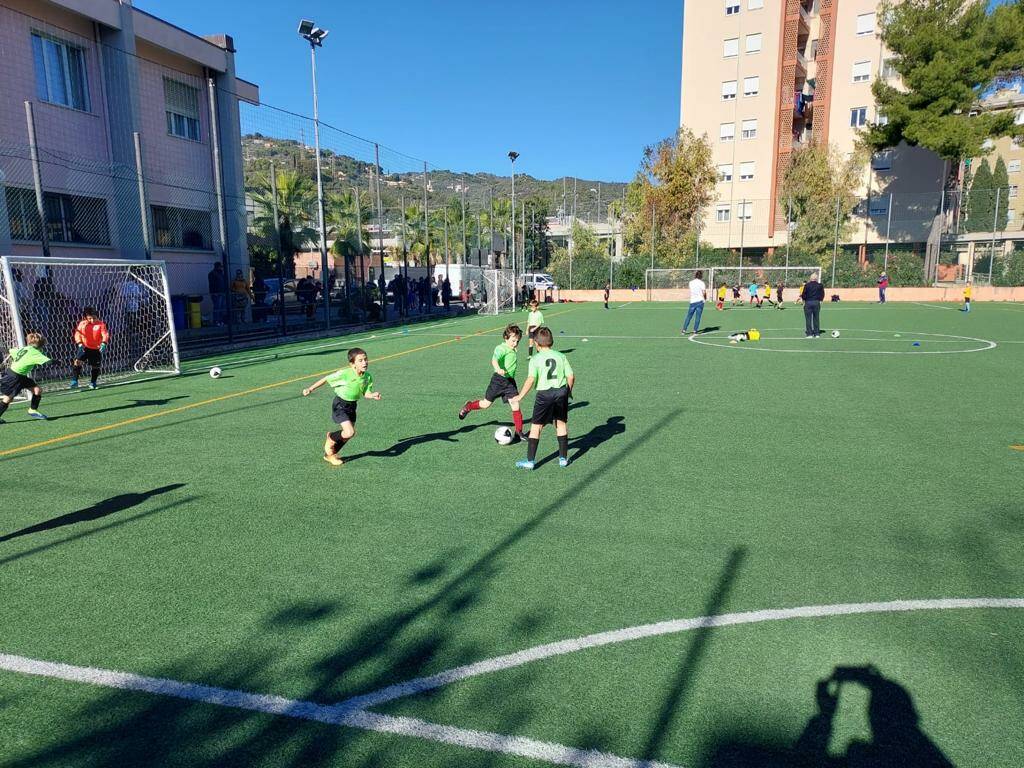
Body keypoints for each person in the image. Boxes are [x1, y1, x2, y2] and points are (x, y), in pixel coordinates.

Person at [301, 347, 381, 466]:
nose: (365, 362)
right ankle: (331, 437)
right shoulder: (345, 374)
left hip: (352, 406)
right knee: (349, 432)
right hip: (340, 404)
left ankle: (331, 454)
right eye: (360, 360)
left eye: (365, 359)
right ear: (352, 364)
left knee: (349, 434)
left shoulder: (367, 377)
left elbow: (366, 393)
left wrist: (372, 395)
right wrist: (310, 388)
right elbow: (326, 379)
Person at [511, 326, 575, 470]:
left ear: (536, 344)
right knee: (561, 424)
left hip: (544, 395)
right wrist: (568, 392)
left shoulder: (535, 359)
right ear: (551, 342)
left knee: (536, 427)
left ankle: (530, 461)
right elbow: (571, 376)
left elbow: (531, 379)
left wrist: (520, 396)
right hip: (561, 392)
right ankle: (563, 459)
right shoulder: (561, 356)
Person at [459, 324, 525, 439]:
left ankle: (519, 432)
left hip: (510, 382)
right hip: (498, 381)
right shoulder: (501, 348)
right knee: (486, 404)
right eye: (513, 341)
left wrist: (513, 347)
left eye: (517, 341)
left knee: (515, 404)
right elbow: (494, 359)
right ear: (506, 338)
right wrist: (498, 369)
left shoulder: (512, 348)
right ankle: (469, 406)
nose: (515, 343)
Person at [0, 333, 51, 422]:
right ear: (42, 344)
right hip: (14, 377)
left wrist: (3, 349)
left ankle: (32, 410)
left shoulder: (25, 349)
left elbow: (10, 350)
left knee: (37, 390)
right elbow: (48, 362)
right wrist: (57, 361)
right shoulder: (35, 352)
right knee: (8, 398)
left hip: (19, 375)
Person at [70, 307, 109, 390]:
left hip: (96, 349)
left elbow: (105, 334)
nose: (92, 320)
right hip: (84, 347)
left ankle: (93, 382)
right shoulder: (82, 324)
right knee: (77, 362)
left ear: (97, 316)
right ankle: (74, 380)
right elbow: (77, 334)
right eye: (90, 318)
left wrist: (104, 343)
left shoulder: (101, 324)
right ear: (86, 318)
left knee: (95, 366)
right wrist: (80, 344)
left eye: (94, 318)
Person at [682, 269, 706, 337]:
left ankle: (684, 330)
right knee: (698, 317)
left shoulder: (691, 282)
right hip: (700, 301)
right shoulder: (702, 283)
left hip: (692, 301)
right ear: (701, 276)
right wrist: (705, 299)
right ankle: (695, 330)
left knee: (689, 316)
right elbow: (704, 292)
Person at [800, 272, 825, 337]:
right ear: (816, 278)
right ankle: (817, 334)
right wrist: (820, 300)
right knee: (816, 318)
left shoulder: (807, 285)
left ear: (810, 278)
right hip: (816, 302)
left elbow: (803, 295)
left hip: (808, 303)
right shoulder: (820, 285)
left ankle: (809, 334)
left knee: (808, 319)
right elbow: (822, 294)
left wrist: (804, 301)